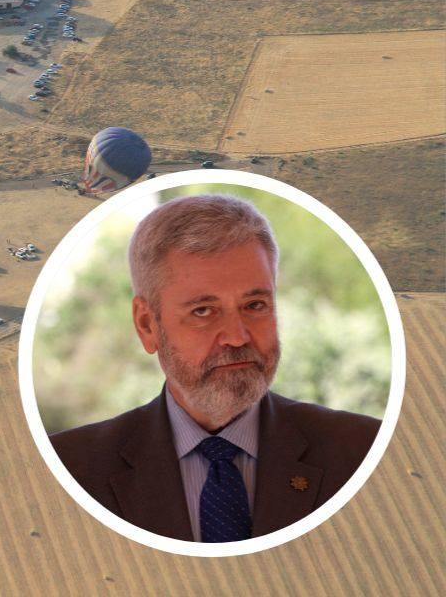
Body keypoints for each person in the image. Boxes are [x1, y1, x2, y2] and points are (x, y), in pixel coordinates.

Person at [49, 195, 380, 542]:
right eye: (203, 311)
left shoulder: (366, 452)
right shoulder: (68, 470)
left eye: (255, 305)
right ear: (147, 325)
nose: (237, 337)